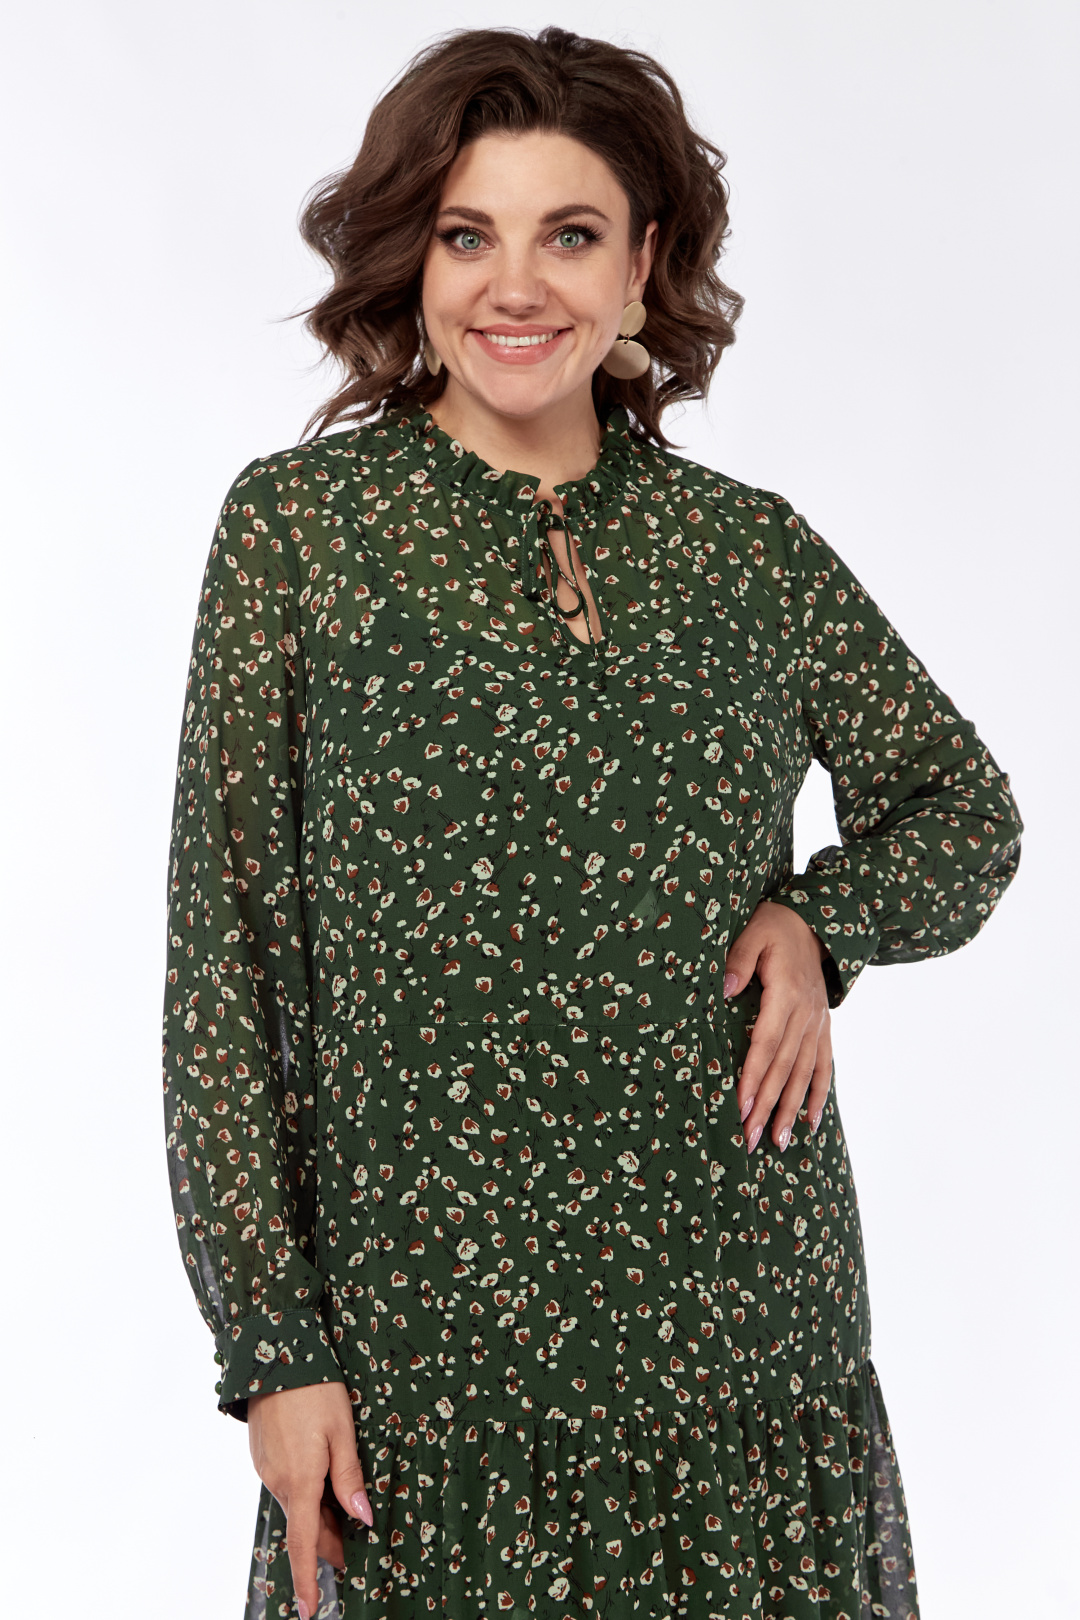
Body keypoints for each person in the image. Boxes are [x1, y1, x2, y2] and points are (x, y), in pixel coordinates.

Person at [162, 25, 1022, 1620]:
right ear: (415, 264)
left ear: (641, 268)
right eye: (466, 236)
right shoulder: (303, 533)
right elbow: (229, 972)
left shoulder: (744, 552)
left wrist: (822, 925)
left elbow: (964, 809)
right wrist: (272, 1348)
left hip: (745, 1342)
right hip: (429, 1371)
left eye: (568, 236)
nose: (516, 287)